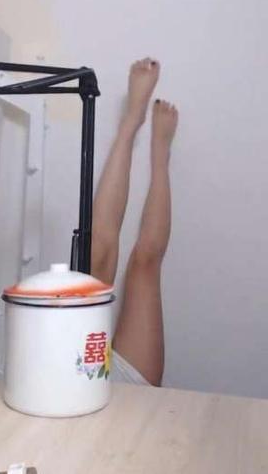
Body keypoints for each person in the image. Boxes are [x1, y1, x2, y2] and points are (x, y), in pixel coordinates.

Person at [92, 58, 178, 387]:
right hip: (127, 397)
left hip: (78, 370)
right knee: (145, 262)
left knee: (99, 249)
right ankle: (160, 156)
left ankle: (131, 122)